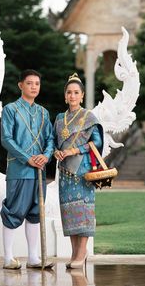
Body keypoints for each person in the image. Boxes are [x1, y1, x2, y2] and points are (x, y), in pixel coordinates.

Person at [0, 69, 54, 270]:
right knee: (13, 212)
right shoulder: (10, 109)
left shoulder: (43, 112)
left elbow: (50, 139)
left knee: (35, 213)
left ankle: (33, 258)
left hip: (39, 172)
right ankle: (8, 258)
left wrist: (46, 156)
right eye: (29, 83)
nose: (33, 87)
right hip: (19, 170)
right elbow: (7, 139)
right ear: (20, 85)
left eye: (37, 84)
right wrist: (27, 159)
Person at [54, 73, 103, 269]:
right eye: (69, 92)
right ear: (65, 96)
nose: (72, 96)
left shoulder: (89, 117)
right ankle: (76, 254)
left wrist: (76, 149)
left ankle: (81, 253)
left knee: (82, 212)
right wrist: (57, 151)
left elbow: (97, 142)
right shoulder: (59, 118)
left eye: (76, 92)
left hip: (82, 171)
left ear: (82, 95)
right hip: (65, 171)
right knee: (69, 213)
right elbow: (53, 141)